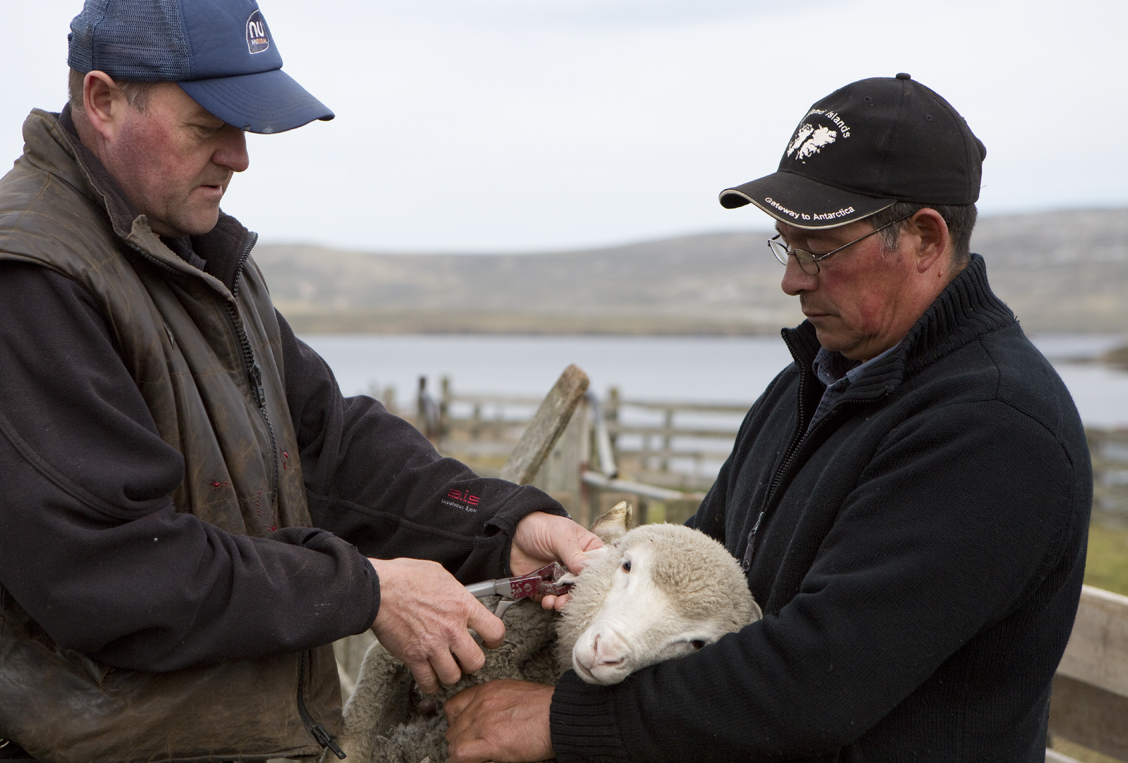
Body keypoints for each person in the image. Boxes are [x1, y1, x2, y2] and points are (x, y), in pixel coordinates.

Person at [0, 0, 599, 763]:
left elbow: (328, 446)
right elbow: (110, 569)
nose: (239, 156)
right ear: (104, 99)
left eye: (245, 126)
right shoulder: (21, 283)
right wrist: (367, 589)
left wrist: (504, 525)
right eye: (207, 125)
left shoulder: (189, 254)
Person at [444, 74, 1093, 762]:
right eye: (786, 244)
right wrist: (605, 591)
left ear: (925, 240)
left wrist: (562, 721)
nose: (792, 279)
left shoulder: (994, 429)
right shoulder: (810, 382)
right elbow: (696, 565)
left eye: (819, 249)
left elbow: (818, 676)